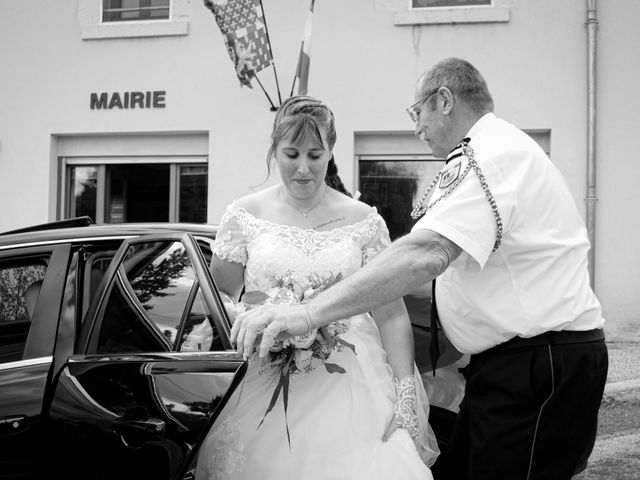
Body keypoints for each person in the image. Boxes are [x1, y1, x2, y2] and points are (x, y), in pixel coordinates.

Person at [231, 58, 609, 480]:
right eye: (292, 153)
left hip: (539, 364)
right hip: (509, 365)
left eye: (418, 113)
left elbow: (428, 252)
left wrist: (307, 313)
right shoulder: (488, 152)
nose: (416, 127)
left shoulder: (491, 158)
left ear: (443, 100)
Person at [194, 95, 438, 480]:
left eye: (315, 154)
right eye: (292, 154)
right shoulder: (245, 215)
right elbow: (224, 302)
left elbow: (390, 312)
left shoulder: (364, 221)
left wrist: (406, 393)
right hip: (265, 379)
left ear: (330, 152)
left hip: (355, 384)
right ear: (275, 149)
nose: (303, 168)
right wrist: (262, 322)